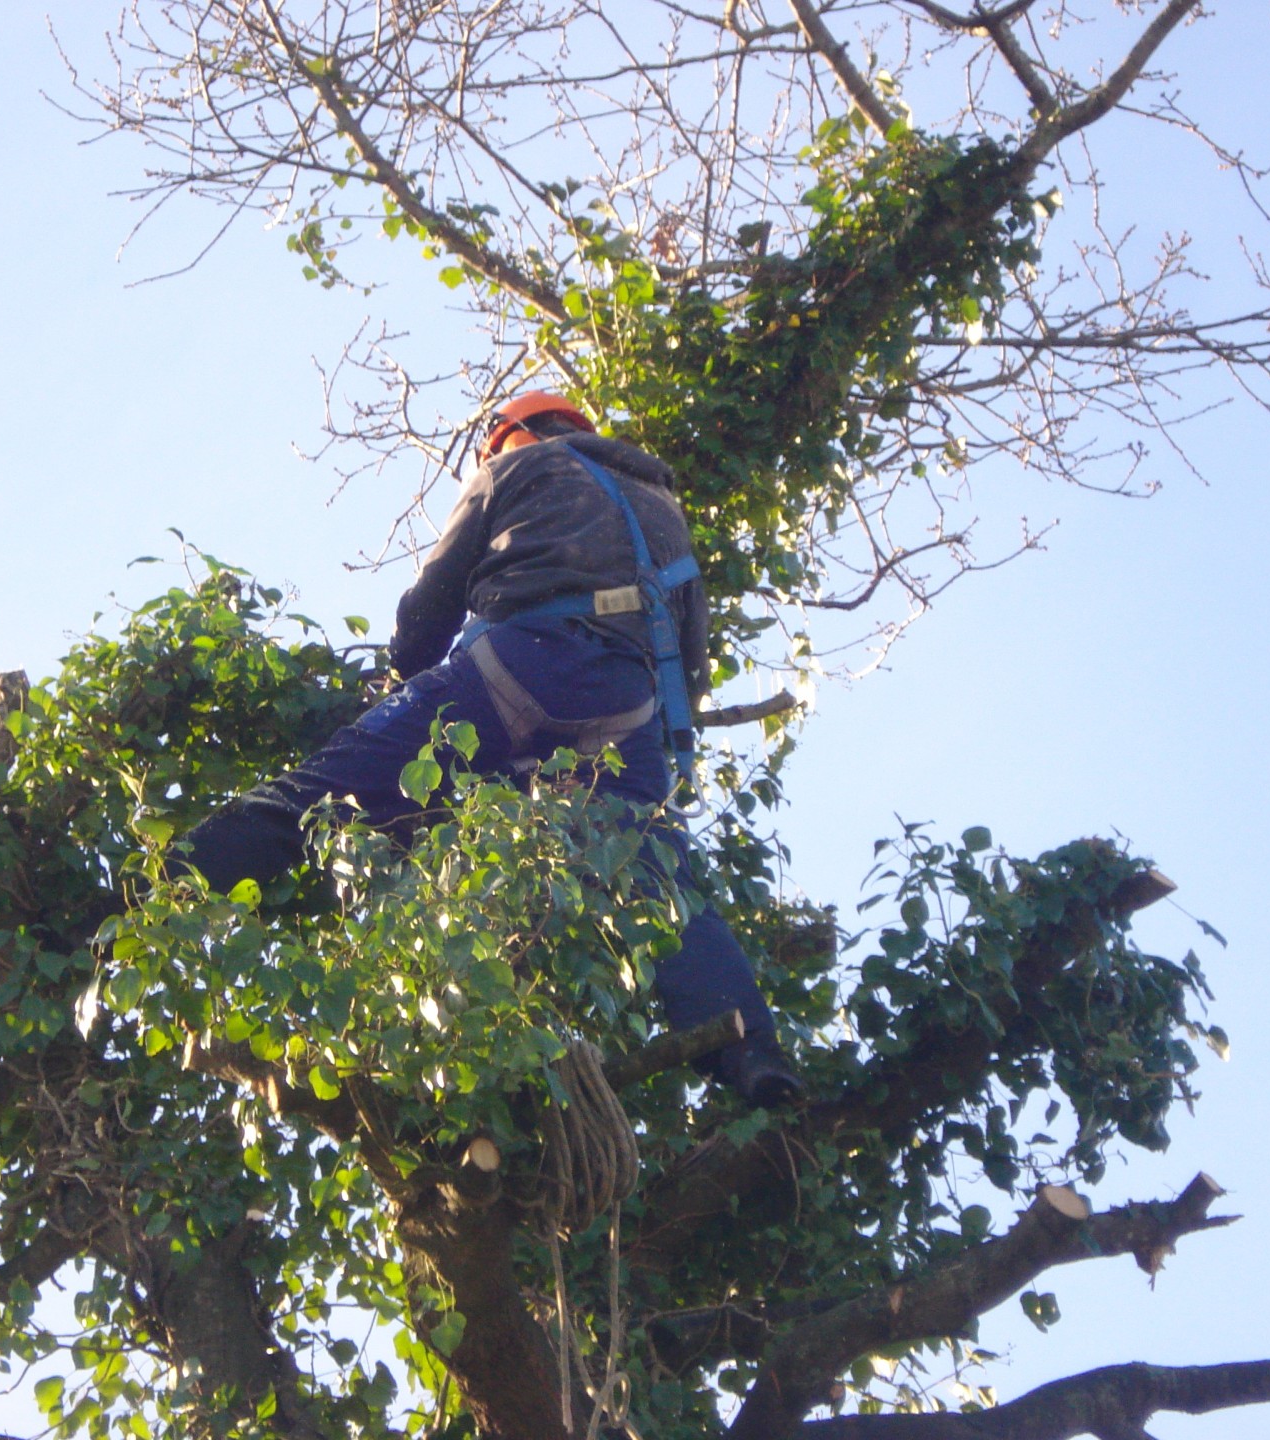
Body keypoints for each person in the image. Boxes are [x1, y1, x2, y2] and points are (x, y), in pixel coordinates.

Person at [173, 392, 801, 1106]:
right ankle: (753, 1056)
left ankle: (153, 896)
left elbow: (432, 601)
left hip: (514, 666)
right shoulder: (664, 509)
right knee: (663, 886)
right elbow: (688, 659)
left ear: (513, 434)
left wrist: (401, 683)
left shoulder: (512, 468)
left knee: (322, 796)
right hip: (624, 712)